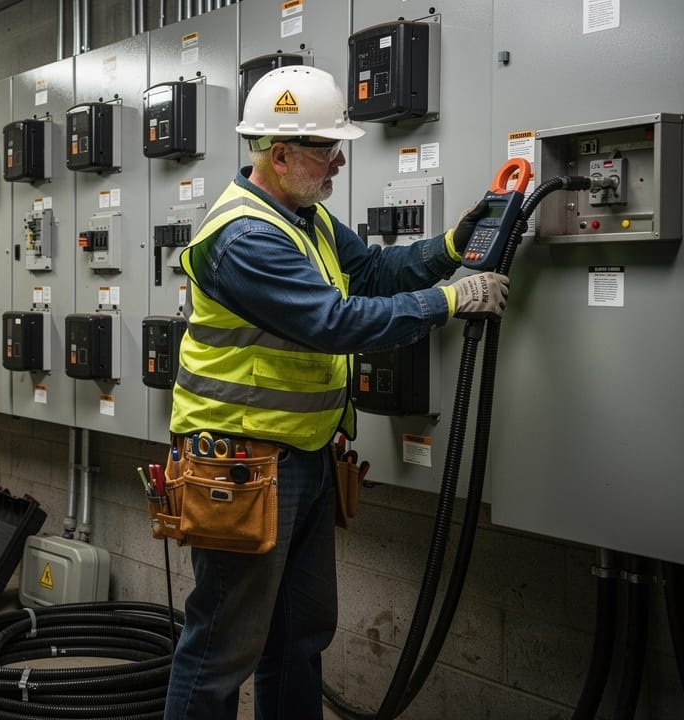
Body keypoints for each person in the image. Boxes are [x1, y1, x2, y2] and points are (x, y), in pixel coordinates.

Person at [163, 66, 509, 718]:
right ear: (282, 154)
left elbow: (374, 270)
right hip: (241, 465)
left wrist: (453, 247)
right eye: (328, 148)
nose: (340, 161)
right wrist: (450, 300)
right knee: (220, 648)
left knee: (299, 638)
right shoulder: (244, 237)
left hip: (307, 457)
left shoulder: (305, 217)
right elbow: (333, 323)